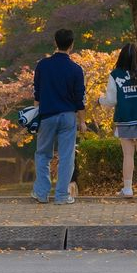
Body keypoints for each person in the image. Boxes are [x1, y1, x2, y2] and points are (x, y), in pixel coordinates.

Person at [98, 42, 137, 198]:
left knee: (128, 155)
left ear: (121, 56)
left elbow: (111, 100)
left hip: (125, 119)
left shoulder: (115, 75)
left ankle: (128, 189)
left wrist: (100, 101)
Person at [31, 28, 86, 205]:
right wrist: (82, 121)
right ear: (71, 45)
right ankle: (62, 195)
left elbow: (37, 93)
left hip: (47, 115)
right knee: (67, 156)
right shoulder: (76, 69)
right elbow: (80, 99)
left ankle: (42, 193)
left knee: (42, 154)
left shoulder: (43, 65)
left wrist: (34, 115)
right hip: (68, 116)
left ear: (55, 42)